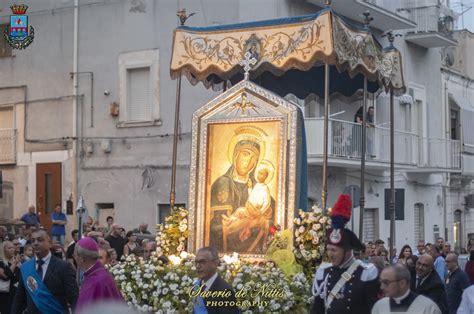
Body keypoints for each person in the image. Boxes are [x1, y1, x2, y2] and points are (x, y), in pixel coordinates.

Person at [312, 194, 379, 313]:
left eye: (334, 250)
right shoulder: (324, 272)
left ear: (347, 250)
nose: (330, 254)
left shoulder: (366, 272)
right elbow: (317, 309)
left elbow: (373, 309)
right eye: (328, 249)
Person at [210, 130, 272, 253]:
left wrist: (267, 212)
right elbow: (218, 224)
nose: (249, 162)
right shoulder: (224, 182)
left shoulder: (258, 185)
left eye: (254, 158)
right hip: (229, 241)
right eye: (245, 154)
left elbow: (271, 210)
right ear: (235, 155)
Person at [11, 230, 78, 313]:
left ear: (49, 243)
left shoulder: (64, 267)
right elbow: (19, 297)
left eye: (40, 240)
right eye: (33, 240)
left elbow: (74, 298)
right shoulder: (25, 267)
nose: (35, 243)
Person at [222, 162, 273, 242]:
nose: (260, 175)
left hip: (256, 211)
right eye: (259, 173)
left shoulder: (265, 188)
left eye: (262, 174)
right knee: (239, 211)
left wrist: (261, 211)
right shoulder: (256, 185)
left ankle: (230, 219)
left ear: (266, 177)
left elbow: (267, 203)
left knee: (240, 212)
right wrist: (249, 188)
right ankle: (229, 219)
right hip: (250, 207)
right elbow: (252, 196)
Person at [74, 237, 123, 313]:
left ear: (81, 258)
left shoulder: (95, 282)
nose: (74, 258)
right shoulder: (102, 274)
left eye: (75, 255)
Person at [372, 264, 441, 314]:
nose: (382, 287)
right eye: (381, 282)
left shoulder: (428, 308)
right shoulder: (379, 306)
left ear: (402, 283)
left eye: (386, 282)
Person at [192, 246, 239, 314]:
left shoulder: (226, 292)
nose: (198, 266)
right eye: (196, 262)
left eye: (202, 262)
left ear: (215, 263)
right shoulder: (197, 285)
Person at [0, 241, 21, 314]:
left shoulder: (17, 262)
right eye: (9, 248)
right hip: (5, 296)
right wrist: (14, 264)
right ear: (3, 250)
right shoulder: (1, 262)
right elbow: (6, 276)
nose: (12, 249)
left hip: (17, 295)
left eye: (13, 247)